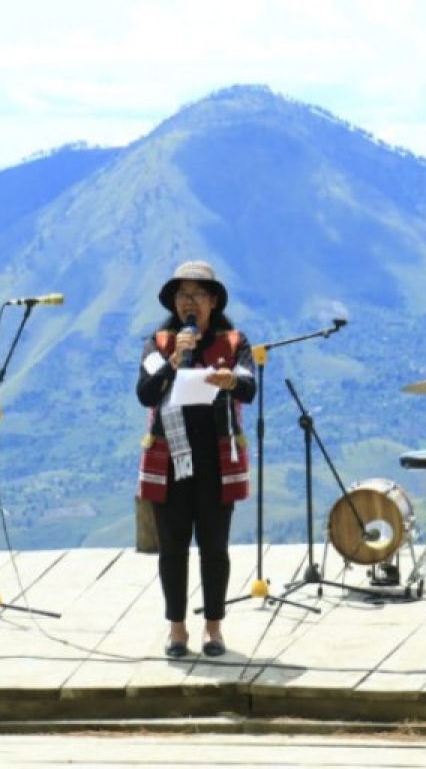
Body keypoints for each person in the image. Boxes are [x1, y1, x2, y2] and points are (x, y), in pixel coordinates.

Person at [136, 260, 255, 658]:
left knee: (214, 547)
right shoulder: (159, 343)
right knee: (172, 548)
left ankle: (213, 628)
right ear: (174, 301)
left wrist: (231, 380)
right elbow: (146, 394)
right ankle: (176, 629)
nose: (190, 302)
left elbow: (250, 386)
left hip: (216, 461)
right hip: (169, 461)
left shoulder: (234, 342)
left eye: (198, 295)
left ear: (214, 301)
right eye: (183, 295)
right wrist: (173, 363)